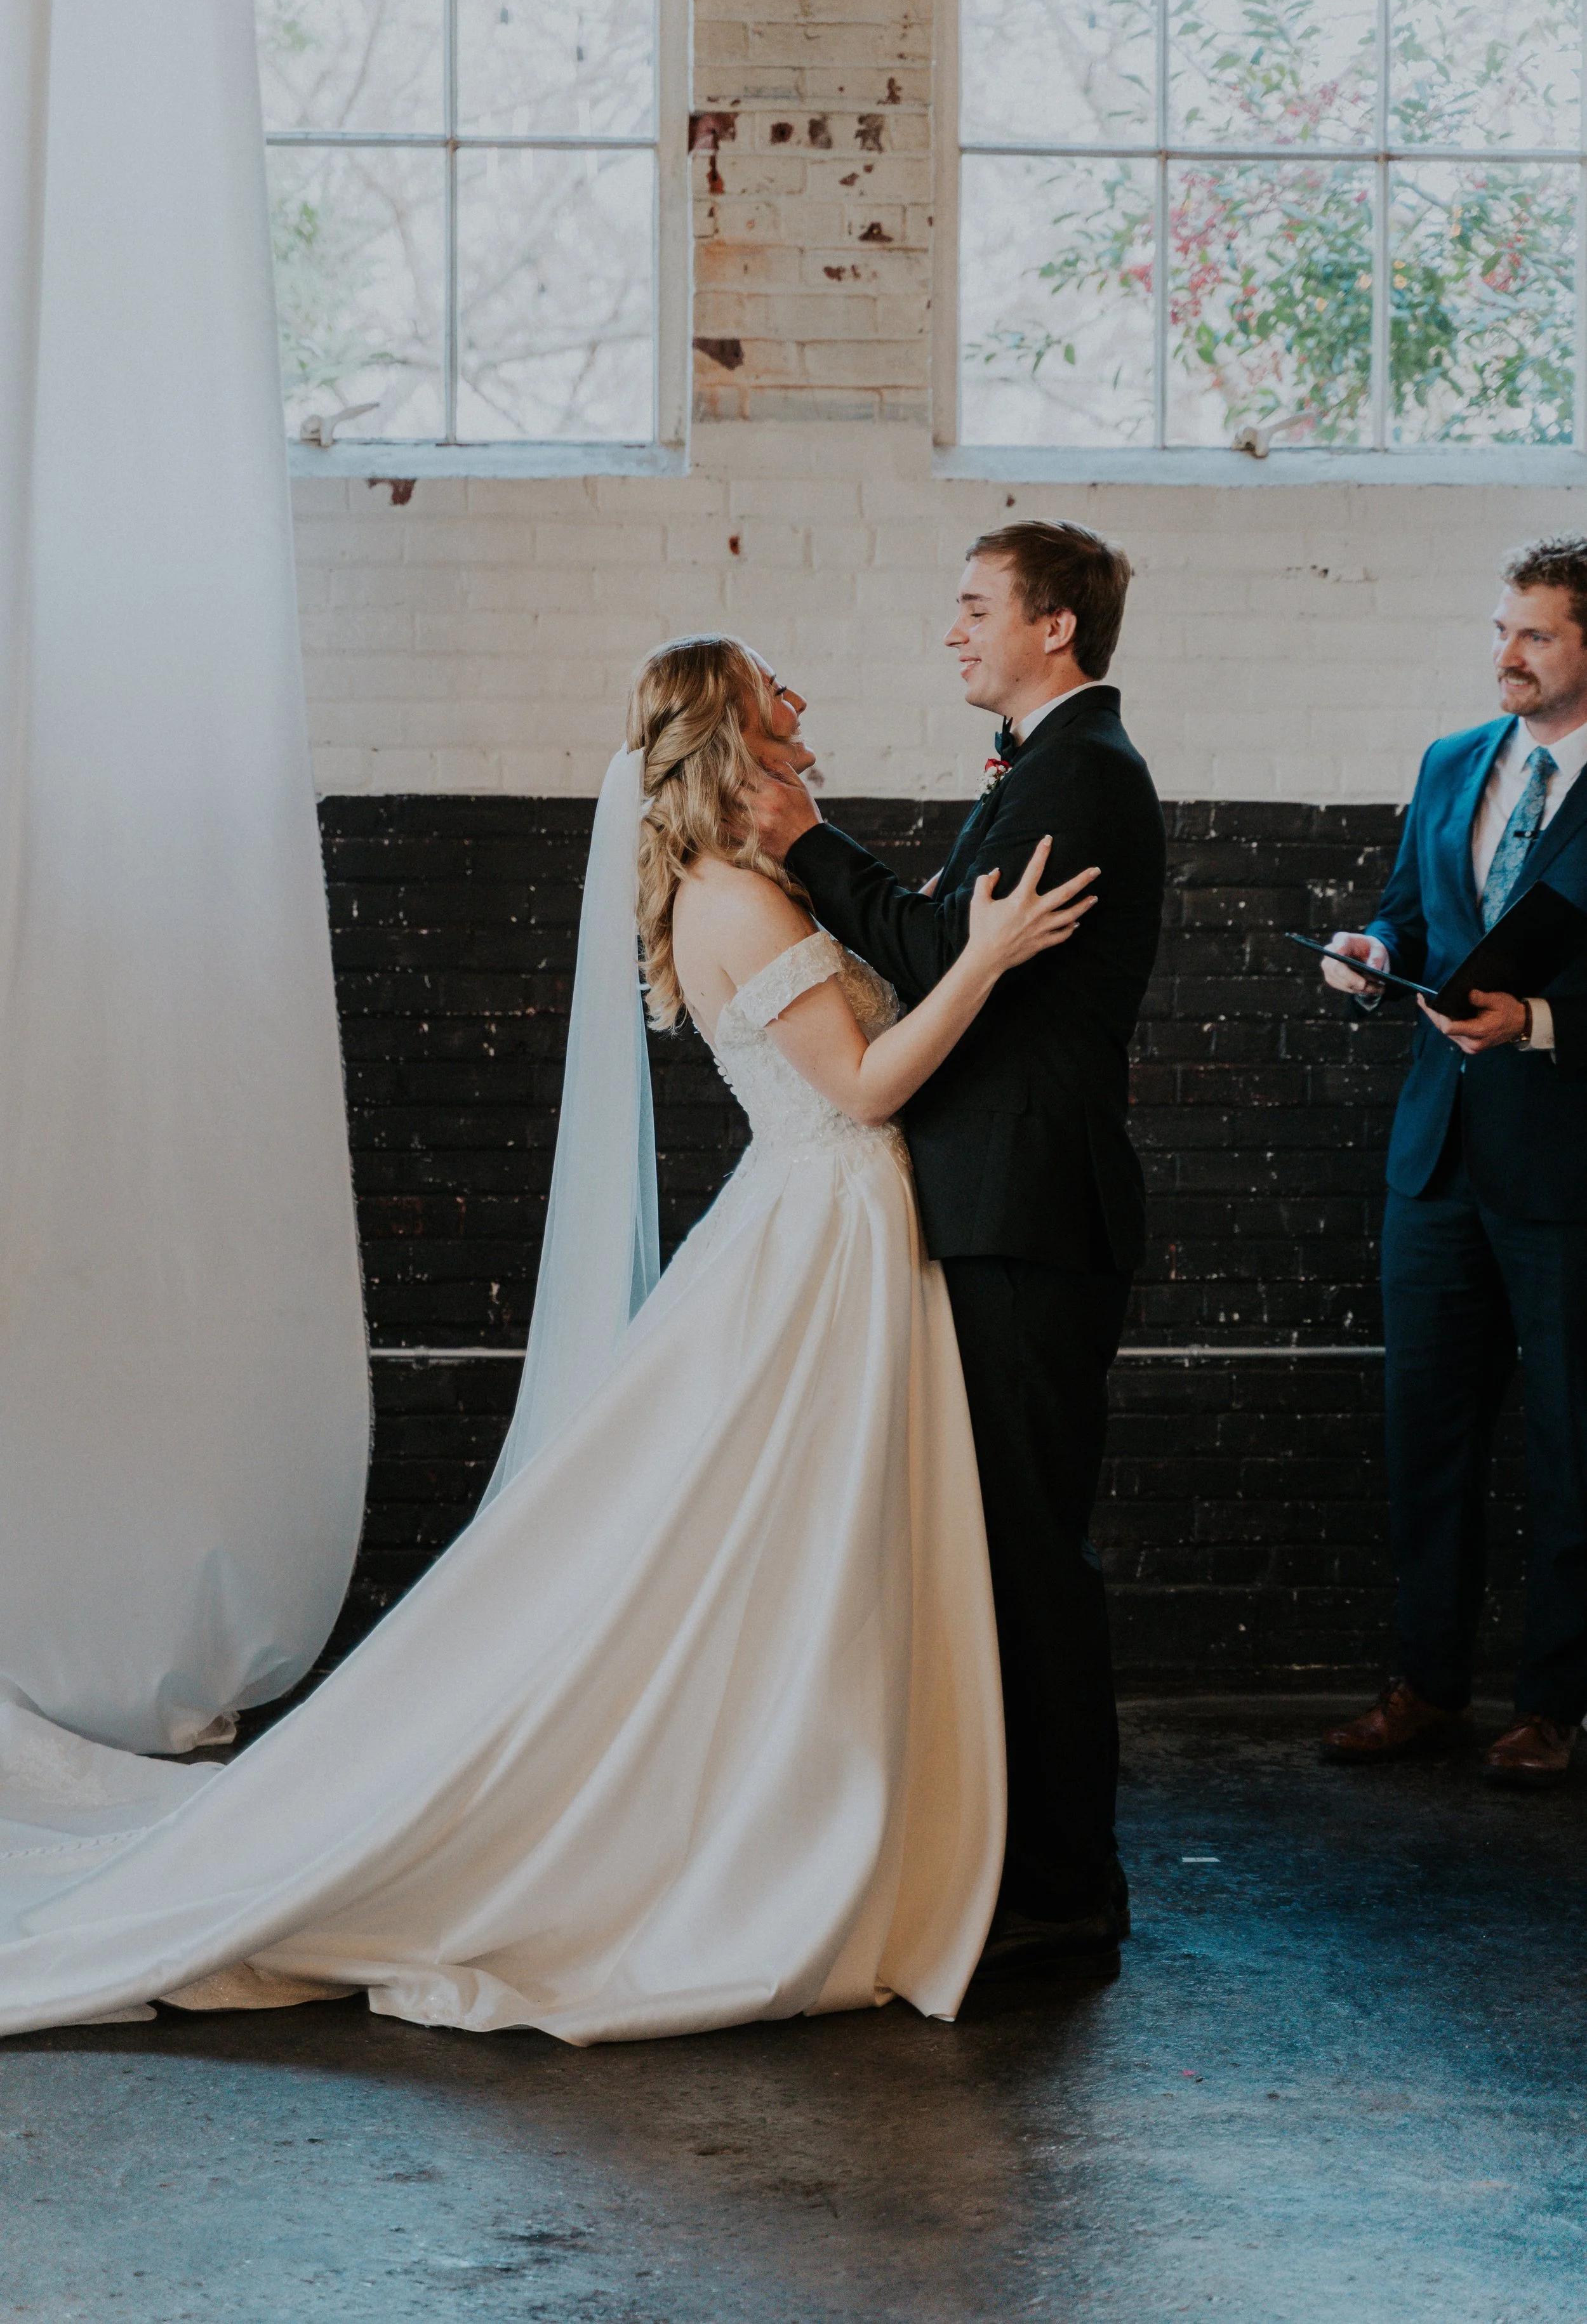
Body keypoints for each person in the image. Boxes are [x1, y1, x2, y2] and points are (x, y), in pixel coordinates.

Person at [0, 635, 1098, 2043]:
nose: (800, 699)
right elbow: (869, 1085)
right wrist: (989, 960)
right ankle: (778, 1837)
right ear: (726, 726)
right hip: (824, 1238)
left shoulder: (756, 882)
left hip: (842, 1238)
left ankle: (847, 1820)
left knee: (810, 1545)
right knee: (786, 1541)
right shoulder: (728, 903)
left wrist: (936, 921)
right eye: (775, 686)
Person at [749, 522, 1167, 1971]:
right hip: (1001, 1204)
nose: (952, 631)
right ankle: (1017, 1858)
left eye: (974, 607)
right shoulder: (1052, 768)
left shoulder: (1080, 775)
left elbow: (941, 958)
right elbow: (948, 944)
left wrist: (802, 840)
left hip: (1028, 1212)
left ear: (1053, 629)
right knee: (997, 1546)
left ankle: (1063, 1888)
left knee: (1029, 1555)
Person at [1320, 536, 1587, 1785]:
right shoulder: (1448, 763)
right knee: (1424, 1431)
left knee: (1567, 1440)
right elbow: (1409, 915)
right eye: (1499, 631)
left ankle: (1554, 1706)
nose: (1504, 656)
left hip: (1564, 1163)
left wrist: (1536, 1021)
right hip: (1432, 1158)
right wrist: (1368, 951)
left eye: (1531, 635)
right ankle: (1424, 1684)